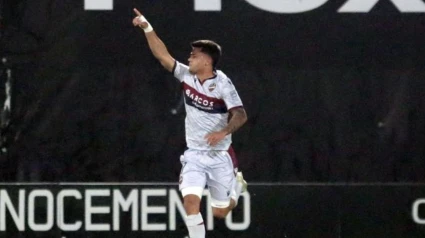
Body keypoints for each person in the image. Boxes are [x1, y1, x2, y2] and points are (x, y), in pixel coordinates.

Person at [132, 8, 248, 238]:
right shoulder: (187, 76)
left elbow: (241, 114)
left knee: (220, 213)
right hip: (194, 154)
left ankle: (237, 187)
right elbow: (162, 56)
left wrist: (224, 131)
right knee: (191, 202)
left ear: (206, 60)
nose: (189, 58)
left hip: (219, 155)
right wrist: (147, 27)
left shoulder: (223, 83)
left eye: (193, 55)